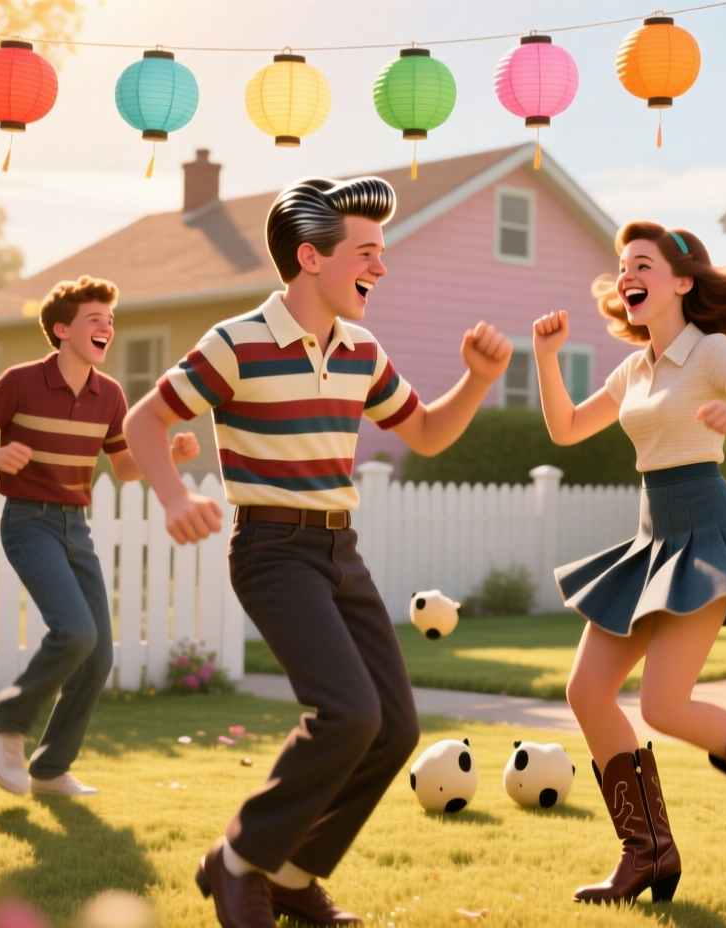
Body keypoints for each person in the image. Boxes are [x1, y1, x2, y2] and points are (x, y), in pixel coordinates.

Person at [123, 176, 513, 928]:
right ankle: (237, 863)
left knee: (393, 727)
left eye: (381, 252)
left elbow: (425, 432)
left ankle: (295, 875)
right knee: (345, 712)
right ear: (311, 258)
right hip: (271, 549)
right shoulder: (237, 342)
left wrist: (480, 379)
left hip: (341, 551)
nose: (382, 267)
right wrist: (175, 495)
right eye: (367, 252)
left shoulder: (363, 349)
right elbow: (146, 421)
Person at [533, 222, 726, 905]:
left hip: (705, 533)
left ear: (680, 282)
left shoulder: (712, 351)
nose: (625, 275)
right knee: (587, 693)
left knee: (665, 705)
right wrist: (547, 357)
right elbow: (566, 429)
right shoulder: (635, 367)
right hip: (653, 533)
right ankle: (646, 854)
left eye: (641, 264)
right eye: (621, 267)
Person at [0, 276, 200, 798]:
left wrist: (167, 456)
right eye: (94, 319)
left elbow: (125, 466)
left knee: (99, 655)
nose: (106, 327)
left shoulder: (111, 394)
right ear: (62, 330)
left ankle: (50, 770)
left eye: (110, 320)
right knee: (75, 633)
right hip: (28, 521)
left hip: (74, 527)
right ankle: (5, 724)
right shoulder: (21, 381)